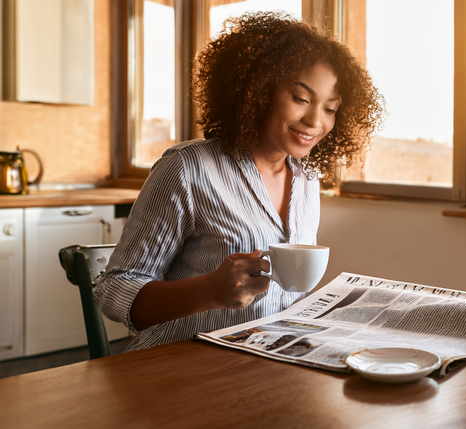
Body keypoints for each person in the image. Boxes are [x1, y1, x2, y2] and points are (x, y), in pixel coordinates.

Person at [96, 12, 384, 351]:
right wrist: (208, 290)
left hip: (265, 367)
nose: (314, 120)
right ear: (259, 91)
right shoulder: (188, 168)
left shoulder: (307, 179)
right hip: (178, 369)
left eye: (330, 108)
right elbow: (113, 291)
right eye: (301, 99)